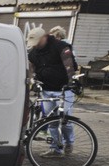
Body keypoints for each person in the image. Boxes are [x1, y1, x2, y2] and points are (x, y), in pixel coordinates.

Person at [27, 27, 77, 158]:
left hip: (63, 89)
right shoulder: (34, 52)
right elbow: (31, 66)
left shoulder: (61, 46)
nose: (35, 45)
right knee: (51, 121)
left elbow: (70, 66)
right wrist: (32, 80)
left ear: (44, 37)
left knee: (65, 120)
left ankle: (69, 142)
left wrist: (70, 82)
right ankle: (56, 148)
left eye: (37, 42)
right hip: (46, 90)